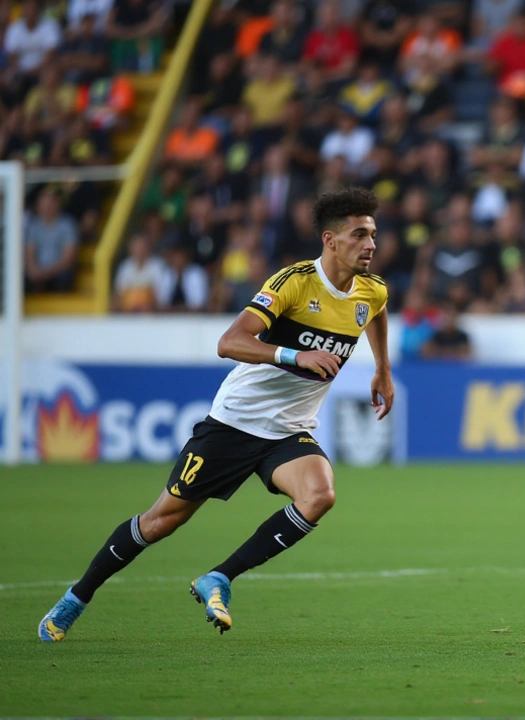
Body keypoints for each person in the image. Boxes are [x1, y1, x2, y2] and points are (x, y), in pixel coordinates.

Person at [38, 188, 395, 642]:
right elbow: (229, 342)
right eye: (359, 235)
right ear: (330, 239)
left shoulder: (372, 289)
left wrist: (383, 370)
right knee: (161, 521)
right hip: (235, 423)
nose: (371, 244)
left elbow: (376, 313)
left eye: (373, 235)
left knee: (319, 494)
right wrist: (294, 356)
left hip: (288, 430)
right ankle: (77, 596)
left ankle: (219, 577)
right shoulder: (293, 283)